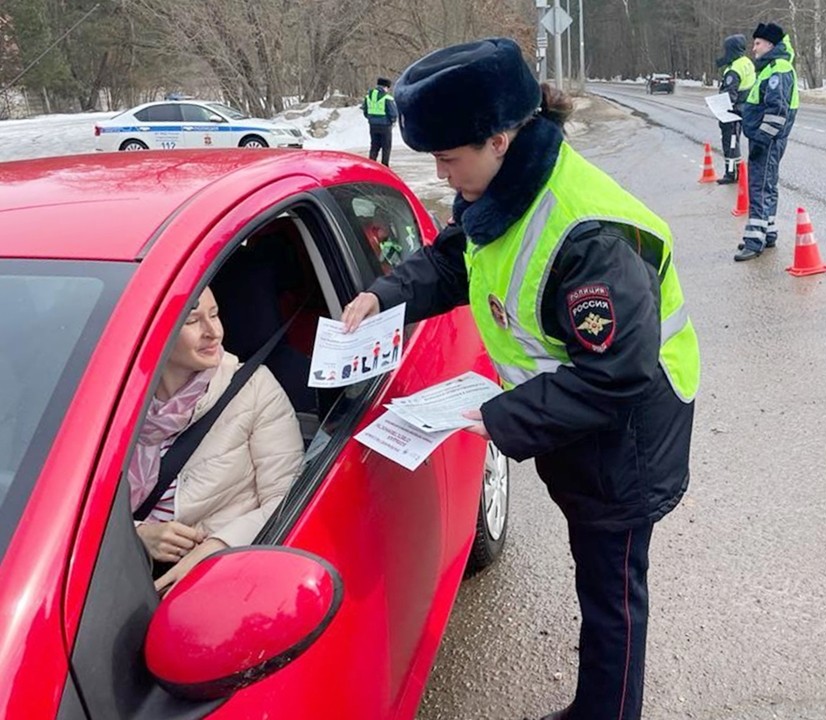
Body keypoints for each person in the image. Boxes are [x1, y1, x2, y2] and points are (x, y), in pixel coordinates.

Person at [341, 37, 700, 720]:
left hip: (627, 435)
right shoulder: (503, 187)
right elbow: (456, 257)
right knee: (597, 575)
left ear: (500, 138)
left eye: (449, 159)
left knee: (612, 596)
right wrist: (384, 296)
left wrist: (498, 416)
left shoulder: (583, 232)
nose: (443, 175)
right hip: (576, 425)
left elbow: (618, 371)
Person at [129, 287, 303, 593]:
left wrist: (217, 546)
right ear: (155, 331)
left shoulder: (254, 387)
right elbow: (80, 504)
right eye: (193, 321)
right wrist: (138, 533)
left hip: (220, 574)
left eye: (215, 314)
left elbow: (287, 498)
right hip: (126, 568)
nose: (213, 332)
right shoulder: (118, 403)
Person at [735, 23, 799, 262]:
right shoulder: (773, 67)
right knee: (768, 185)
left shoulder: (777, 69)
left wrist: (762, 137)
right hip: (769, 139)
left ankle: (754, 241)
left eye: (758, 43)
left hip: (767, 140)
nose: (753, 48)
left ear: (770, 45)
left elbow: (776, 110)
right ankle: (767, 232)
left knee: (759, 187)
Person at [715, 34, 756, 184]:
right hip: (747, 107)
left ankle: (731, 173)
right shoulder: (747, 63)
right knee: (737, 140)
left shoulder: (734, 69)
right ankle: (738, 171)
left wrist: (719, 107)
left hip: (733, 110)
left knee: (730, 141)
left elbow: (729, 95)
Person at [362, 77, 399, 166]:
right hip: (385, 126)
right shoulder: (387, 97)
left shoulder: (368, 96)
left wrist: (371, 118)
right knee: (386, 147)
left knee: (374, 146)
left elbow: (365, 110)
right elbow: (393, 113)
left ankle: (371, 165)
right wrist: (393, 121)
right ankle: (385, 166)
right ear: (385, 87)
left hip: (373, 125)